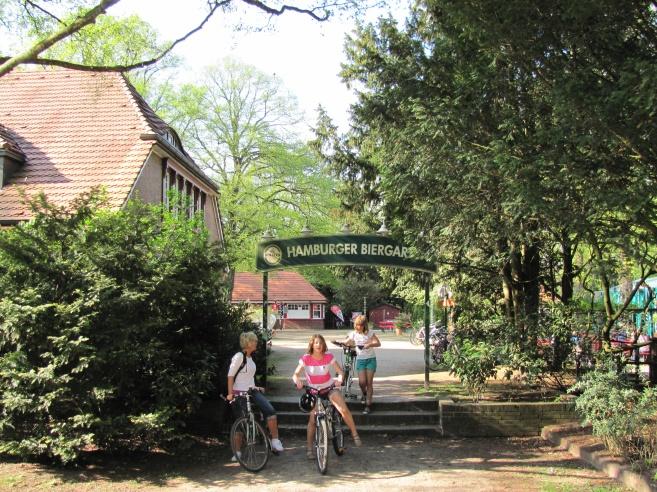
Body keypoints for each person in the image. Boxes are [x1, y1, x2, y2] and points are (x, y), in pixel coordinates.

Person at [293, 334, 361, 459]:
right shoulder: (306, 358)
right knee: (312, 420)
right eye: (316, 343)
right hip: (313, 391)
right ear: (312, 345)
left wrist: (340, 379)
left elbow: (340, 372)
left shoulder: (329, 356)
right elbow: (295, 374)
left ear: (324, 345)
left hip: (328, 388)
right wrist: (297, 380)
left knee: (343, 409)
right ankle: (309, 449)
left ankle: (354, 433)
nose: (319, 345)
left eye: (321, 343)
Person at [227, 331, 284, 457]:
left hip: (251, 391)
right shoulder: (239, 357)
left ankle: (275, 440)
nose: (256, 343)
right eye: (254, 341)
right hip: (239, 393)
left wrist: (256, 387)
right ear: (248, 343)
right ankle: (237, 452)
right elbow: (230, 376)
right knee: (241, 421)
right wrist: (230, 394)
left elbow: (247, 377)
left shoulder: (250, 358)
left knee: (270, 410)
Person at [337, 314, 381, 414]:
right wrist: (340, 342)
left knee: (369, 382)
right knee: (362, 382)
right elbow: (346, 341)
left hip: (370, 359)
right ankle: (364, 393)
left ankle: (368, 405)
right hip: (360, 360)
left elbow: (378, 343)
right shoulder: (353, 334)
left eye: (360, 325)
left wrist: (369, 344)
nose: (358, 327)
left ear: (364, 325)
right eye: (357, 325)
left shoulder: (369, 333)